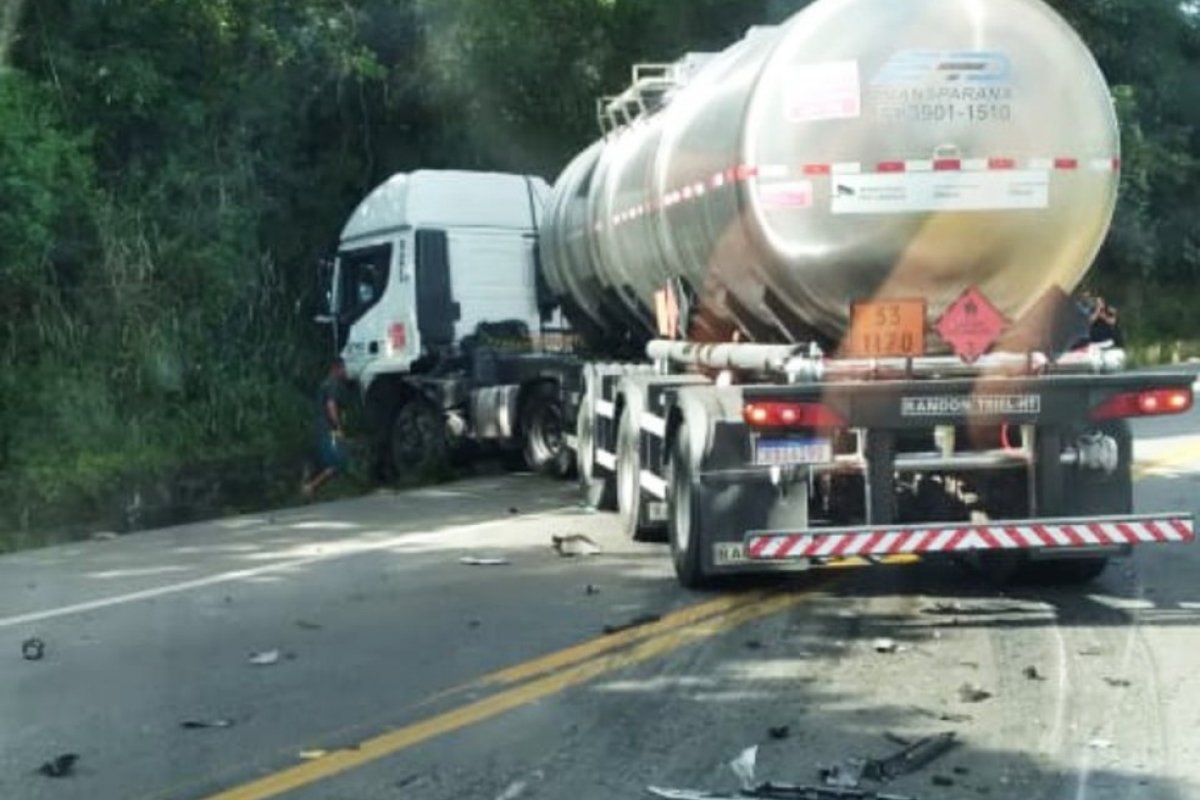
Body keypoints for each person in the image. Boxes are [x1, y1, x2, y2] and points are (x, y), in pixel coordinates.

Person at [301, 358, 350, 499]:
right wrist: (338, 427)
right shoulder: (334, 384)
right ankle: (310, 487)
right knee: (338, 462)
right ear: (336, 369)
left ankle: (307, 484)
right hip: (330, 430)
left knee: (321, 460)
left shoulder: (323, 384)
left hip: (319, 428)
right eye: (343, 369)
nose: (345, 372)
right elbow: (331, 406)